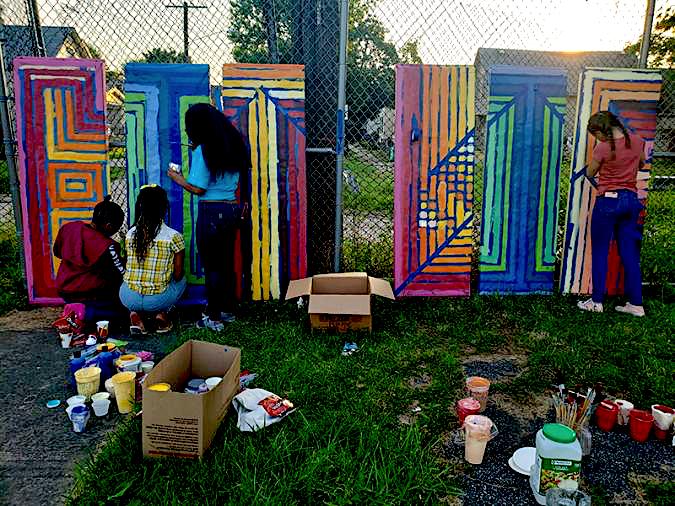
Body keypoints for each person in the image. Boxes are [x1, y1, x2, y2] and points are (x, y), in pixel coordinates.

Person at [168, 102, 250, 331]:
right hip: (231, 210)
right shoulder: (232, 144)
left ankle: (212, 317)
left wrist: (177, 178)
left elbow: (198, 188)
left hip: (211, 212)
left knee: (212, 266)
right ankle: (227, 310)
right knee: (225, 264)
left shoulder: (203, 149)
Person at [577, 111, 646, 317]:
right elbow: (641, 163)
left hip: (607, 202)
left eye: (595, 135)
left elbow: (590, 173)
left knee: (600, 252)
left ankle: (596, 302)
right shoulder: (637, 141)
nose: (596, 139)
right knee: (629, 254)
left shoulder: (603, 148)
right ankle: (636, 305)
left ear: (601, 130)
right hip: (631, 201)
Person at [119, 185, 186, 333]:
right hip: (157, 300)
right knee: (182, 280)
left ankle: (134, 313)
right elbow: (178, 274)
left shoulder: (131, 233)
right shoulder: (174, 236)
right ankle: (163, 314)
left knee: (128, 281)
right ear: (164, 207)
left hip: (128, 297)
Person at [53, 196, 126, 330]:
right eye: (117, 227)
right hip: (87, 293)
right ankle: (84, 313)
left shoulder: (69, 228)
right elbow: (121, 274)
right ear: (109, 226)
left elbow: (57, 252)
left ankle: (75, 310)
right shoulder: (107, 246)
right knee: (123, 314)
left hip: (64, 289)